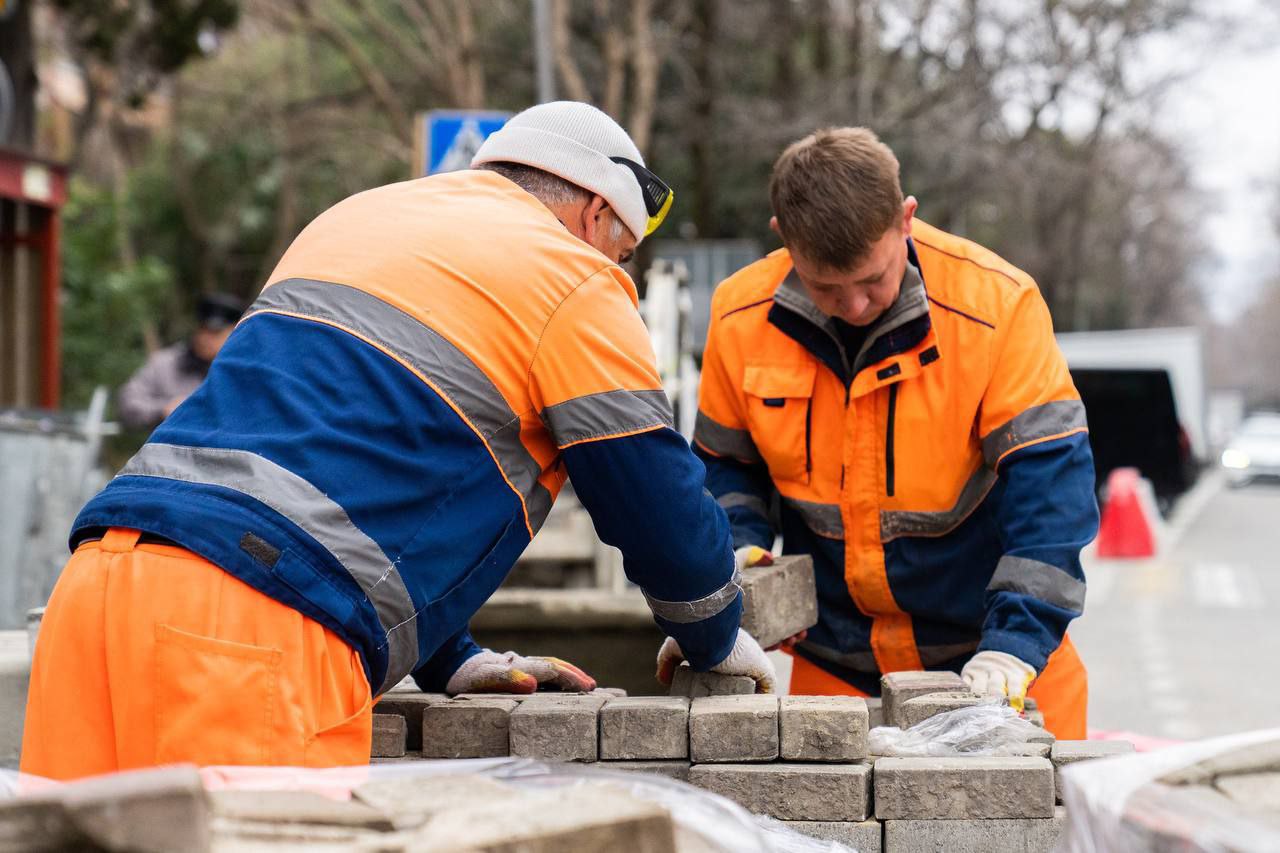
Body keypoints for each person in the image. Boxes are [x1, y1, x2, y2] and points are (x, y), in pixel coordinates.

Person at [22, 101, 775, 780]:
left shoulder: (357, 219)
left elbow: (342, 452)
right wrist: (712, 628)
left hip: (96, 590)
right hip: (252, 626)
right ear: (591, 214)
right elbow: (645, 489)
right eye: (622, 251)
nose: (619, 271)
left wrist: (450, 650)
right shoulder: (573, 274)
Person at [694, 128, 1098, 738]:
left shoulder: (997, 309)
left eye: (872, 279)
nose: (854, 305)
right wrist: (741, 548)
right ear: (784, 236)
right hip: (836, 670)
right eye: (827, 286)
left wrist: (1015, 642)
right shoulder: (739, 317)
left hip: (1000, 663)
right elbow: (726, 465)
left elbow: (1050, 489)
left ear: (905, 220)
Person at [117, 293, 246, 429]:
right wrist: (164, 410)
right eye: (203, 329)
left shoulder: (246, 370)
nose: (204, 338)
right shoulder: (164, 363)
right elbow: (128, 403)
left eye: (215, 333)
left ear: (235, 334)